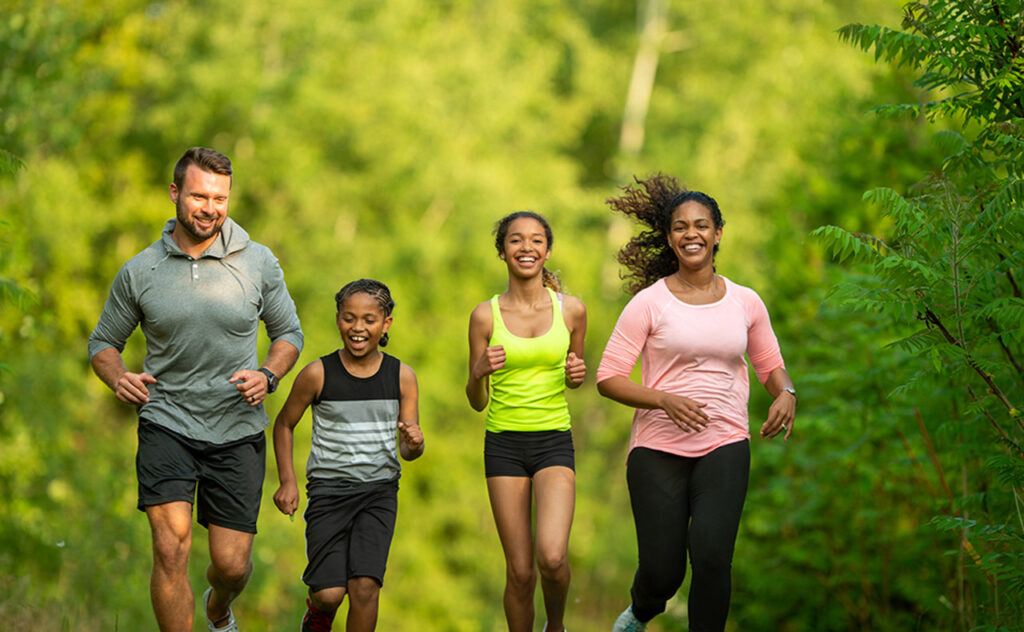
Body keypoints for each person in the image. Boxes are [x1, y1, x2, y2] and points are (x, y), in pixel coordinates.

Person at [88, 147, 303, 632]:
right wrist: (117, 374)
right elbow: (103, 341)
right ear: (174, 193)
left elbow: (289, 333)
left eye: (220, 198)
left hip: (236, 427)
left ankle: (218, 607)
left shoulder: (259, 262)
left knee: (231, 565)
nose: (210, 208)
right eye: (200, 196)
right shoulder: (140, 271)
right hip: (167, 421)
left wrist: (268, 375)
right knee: (170, 546)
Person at [596, 175, 796, 632]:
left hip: (725, 443)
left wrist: (787, 392)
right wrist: (663, 399)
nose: (692, 234)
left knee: (711, 557)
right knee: (664, 572)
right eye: (681, 227)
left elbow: (770, 366)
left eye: (701, 225)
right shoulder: (649, 303)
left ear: (718, 233)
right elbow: (608, 378)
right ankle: (641, 611)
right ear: (669, 238)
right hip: (657, 450)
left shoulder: (746, 301)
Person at [273, 279, 424, 632]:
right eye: (348, 318)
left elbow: (408, 448)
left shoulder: (402, 377)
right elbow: (283, 424)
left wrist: (414, 444)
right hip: (329, 493)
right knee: (328, 593)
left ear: (386, 324)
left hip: (378, 493)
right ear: (338, 319)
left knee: (366, 587)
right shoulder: (317, 374)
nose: (358, 328)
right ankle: (318, 614)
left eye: (369, 320)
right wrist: (287, 481)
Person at [465, 211, 587, 632]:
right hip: (503, 444)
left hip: (553, 440)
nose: (526, 247)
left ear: (547, 251)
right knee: (519, 572)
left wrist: (576, 376)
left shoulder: (572, 311)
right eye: (516, 240)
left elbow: (574, 375)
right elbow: (476, 401)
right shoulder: (484, 316)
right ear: (502, 252)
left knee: (552, 557)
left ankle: (556, 625)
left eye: (536, 240)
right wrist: (479, 372)